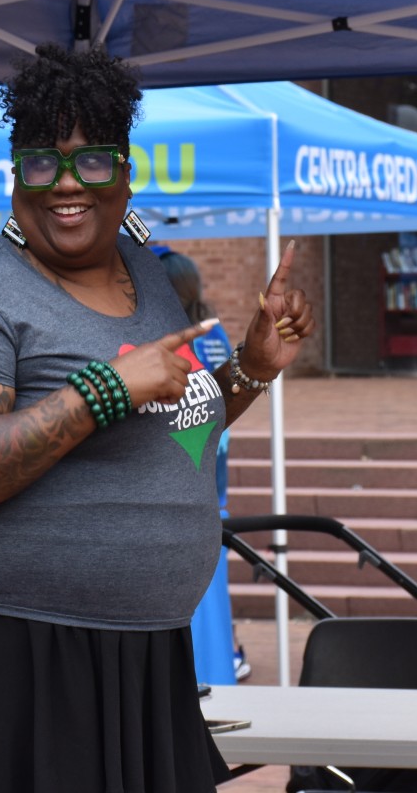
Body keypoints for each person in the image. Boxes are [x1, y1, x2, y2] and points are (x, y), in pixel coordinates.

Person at [0, 43, 314, 793]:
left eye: (92, 161)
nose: (67, 183)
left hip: (132, 653)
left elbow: (174, 431)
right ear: (16, 173)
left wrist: (251, 366)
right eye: (43, 162)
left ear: (126, 173)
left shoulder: (145, 276)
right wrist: (100, 393)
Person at [156, 245, 248, 680]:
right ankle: (221, 663)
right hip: (213, 476)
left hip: (183, 480)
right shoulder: (214, 332)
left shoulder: (169, 340)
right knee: (212, 585)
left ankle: (206, 671)